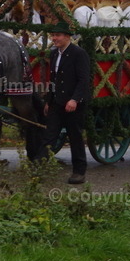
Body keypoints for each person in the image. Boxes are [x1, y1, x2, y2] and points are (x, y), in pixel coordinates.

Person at [41, 21, 92, 184]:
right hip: (57, 102)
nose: (54, 38)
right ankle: (38, 169)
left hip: (73, 104)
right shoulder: (55, 53)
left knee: (75, 137)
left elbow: (84, 79)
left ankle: (79, 172)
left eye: (58, 35)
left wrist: (75, 99)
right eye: (53, 35)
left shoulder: (78, 53)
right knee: (49, 136)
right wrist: (49, 100)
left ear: (67, 37)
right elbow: (54, 79)